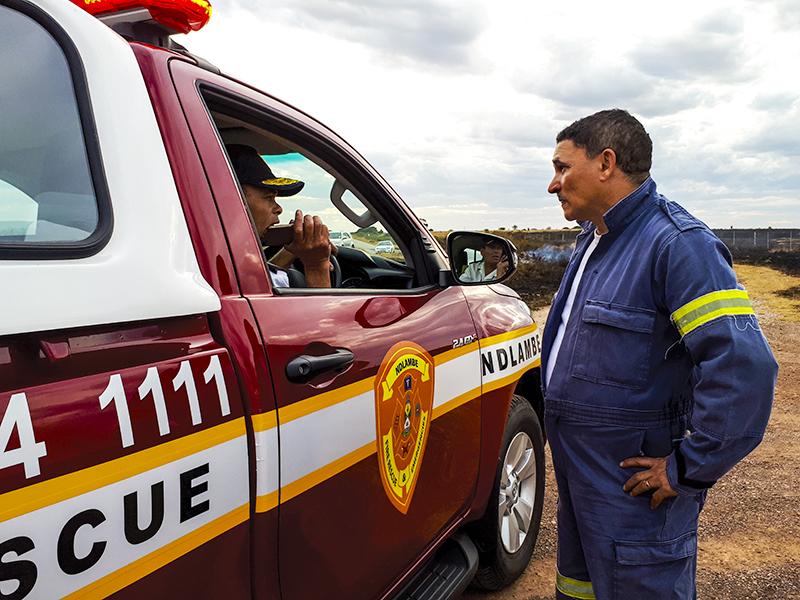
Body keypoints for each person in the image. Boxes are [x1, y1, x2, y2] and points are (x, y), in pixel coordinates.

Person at [540, 109, 777, 599]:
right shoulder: (594, 239)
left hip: (633, 491)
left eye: (563, 167)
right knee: (579, 588)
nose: (553, 183)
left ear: (606, 163)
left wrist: (689, 466)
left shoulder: (678, 244)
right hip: (582, 477)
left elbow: (744, 367)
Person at [226, 144, 334, 288]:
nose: (279, 209)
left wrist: (290, 251)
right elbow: (322, 311)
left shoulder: (222, 258)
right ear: (234, 200)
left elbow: (263, 279)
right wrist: (316, 266)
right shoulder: (227, 270)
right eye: (269, 198)